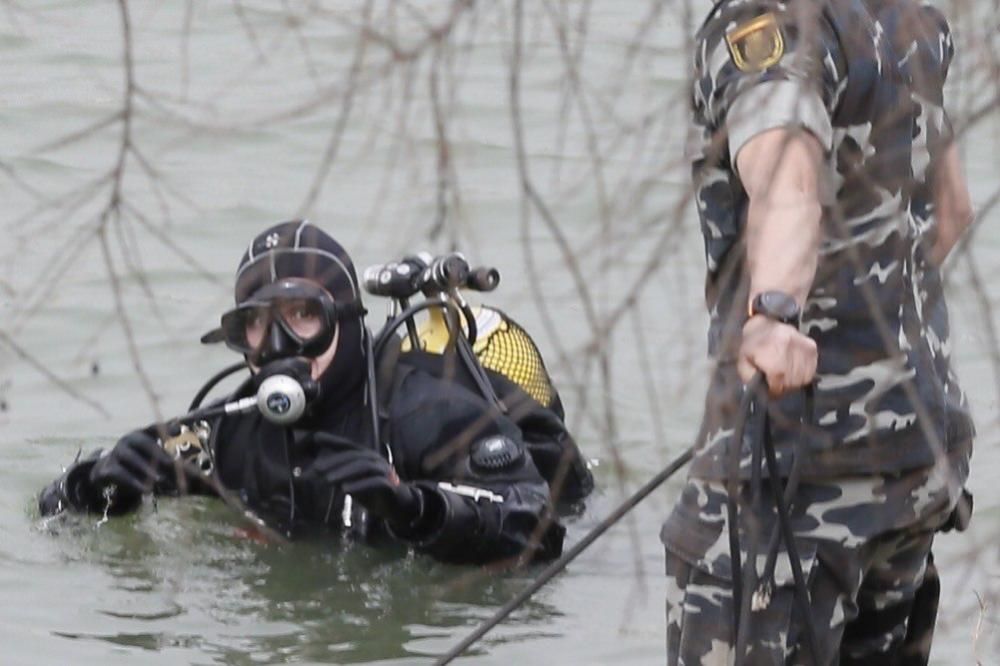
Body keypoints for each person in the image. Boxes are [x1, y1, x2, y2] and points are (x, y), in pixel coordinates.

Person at [661, 0, 975, 663]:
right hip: (914, 462)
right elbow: (951, 213)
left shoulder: (766, 24)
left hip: (798, 473)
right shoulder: (912, 17)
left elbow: (785, 181)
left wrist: (774, 317)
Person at [39, 220, 593, 565]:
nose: (279, 344)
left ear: (348, 320)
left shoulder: (428, 413)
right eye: (256, 324)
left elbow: (541, 529)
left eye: (304, 315)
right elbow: (49, 518)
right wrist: (97, 486)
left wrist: (417, 510)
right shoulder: (229, 431)